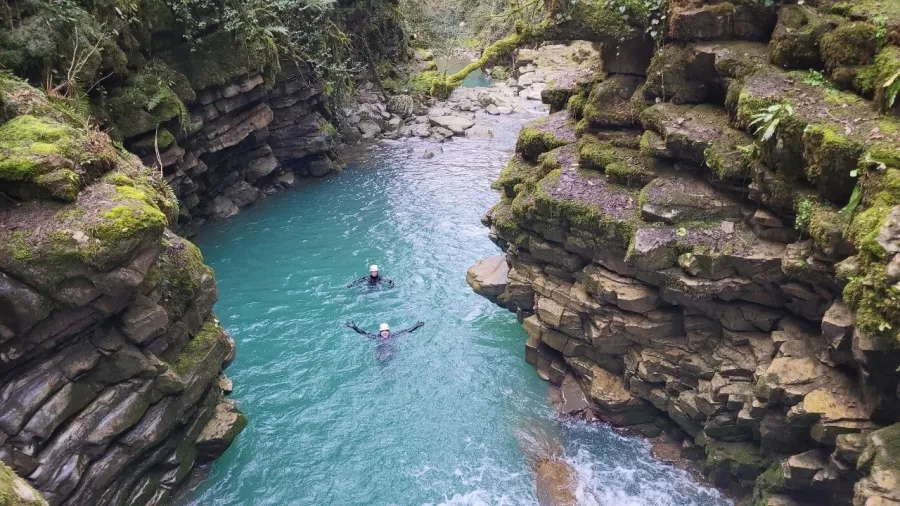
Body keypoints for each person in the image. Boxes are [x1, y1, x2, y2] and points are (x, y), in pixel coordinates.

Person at [344, 320, 424, 339]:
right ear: (380, 332)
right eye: (383, 331)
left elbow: (407, 331)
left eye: (386, 331)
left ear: (389, 331)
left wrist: (416, 326)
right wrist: (354, 327)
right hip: (380, 354)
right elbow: (363, 333)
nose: (385, 333)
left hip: (390, 354)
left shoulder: (393, 336)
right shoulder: (376, 337)